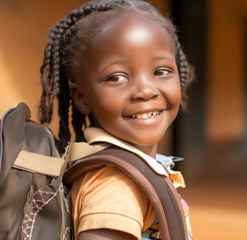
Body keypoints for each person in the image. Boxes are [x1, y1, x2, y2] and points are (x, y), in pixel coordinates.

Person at [37, 0, 194, 239]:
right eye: (117, 77)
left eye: (161, 71)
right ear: (81, 97)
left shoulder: (135, 168)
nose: (146, 90)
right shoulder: (116, 185)